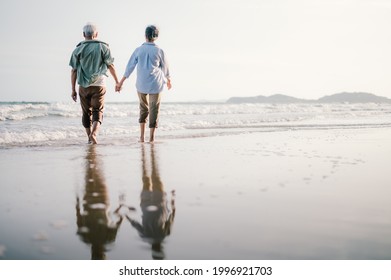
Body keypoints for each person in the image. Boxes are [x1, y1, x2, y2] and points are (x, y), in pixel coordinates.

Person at [117, 25, 172, 143]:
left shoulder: (138, 50)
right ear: (156, 37)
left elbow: (129, 67)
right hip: (155, 84)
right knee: (154, 109)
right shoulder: (159, 50)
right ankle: (151, 137)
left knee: (143, 109)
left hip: (141, 84)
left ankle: (141, 137)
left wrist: (121, 82)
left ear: (145, 36)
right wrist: (168, 80)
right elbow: (165, 68)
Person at [69, 22, 120, 144]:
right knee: (98, 111)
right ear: (96, 34)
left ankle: (89, 137)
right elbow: (110, 65)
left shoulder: (78, 49)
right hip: (99, 85)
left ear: (83, 34)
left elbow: (74, 70)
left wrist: (73, 89)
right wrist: (117, 82)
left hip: (83, 86)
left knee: (86, 113)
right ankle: (94, 134)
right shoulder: (104, 47)